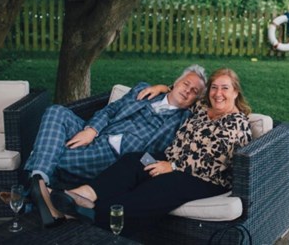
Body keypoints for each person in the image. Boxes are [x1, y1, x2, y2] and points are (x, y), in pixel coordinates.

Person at [49, 68, 252, 237]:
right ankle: (82, 194)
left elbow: (215, 160)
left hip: (202, 178)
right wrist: (163, 88)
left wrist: (172, 167)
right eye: (214, 88)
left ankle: (93, 214)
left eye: (225, 88)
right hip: (169, 160)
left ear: (235, 92)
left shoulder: (237, 122)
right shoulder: (202, 108)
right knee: (133, 161)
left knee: (159, 186)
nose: (218, 93)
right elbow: (181, 93)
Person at [25, 64, 207, 227]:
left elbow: (213, 106)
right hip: (98, 133)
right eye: (185, 84)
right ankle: (41, 184)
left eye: (194, 91)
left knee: (53, 152)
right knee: (56, 111)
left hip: (116, 156)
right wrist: (92, 129)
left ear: (195, 100)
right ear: (175, 82)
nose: (187, 91)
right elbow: (110, 110)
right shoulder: (144, 90)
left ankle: (35, 184)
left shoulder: (185, 119)